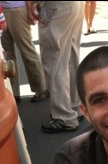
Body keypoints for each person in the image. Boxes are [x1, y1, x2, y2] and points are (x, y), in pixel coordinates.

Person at [36, 1, 85, 133]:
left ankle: (65, 116)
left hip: (58, 6)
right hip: (74, 5)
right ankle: (74, 107)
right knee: (70, 57)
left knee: (55, 61)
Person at [0, 1, 49, 103]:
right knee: (7, 55)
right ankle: (14, 92)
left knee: (27, 51)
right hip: (0, 10)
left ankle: (42, 88)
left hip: (17, 9)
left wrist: (30, 10)